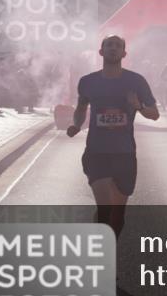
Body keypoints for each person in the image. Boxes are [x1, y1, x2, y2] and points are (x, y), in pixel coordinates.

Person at [67, 35, 159, 237]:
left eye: (118, 46)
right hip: (97, 152)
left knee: (117, 217)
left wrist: (138, 106)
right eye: (109, 45)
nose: (113, 48)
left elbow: (155, 114)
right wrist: (76, 124)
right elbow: (81, 108)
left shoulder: (136, 81)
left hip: (124, 153)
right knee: (105, 209)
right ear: (101, 51)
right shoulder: (88, 82)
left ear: (124, 53)